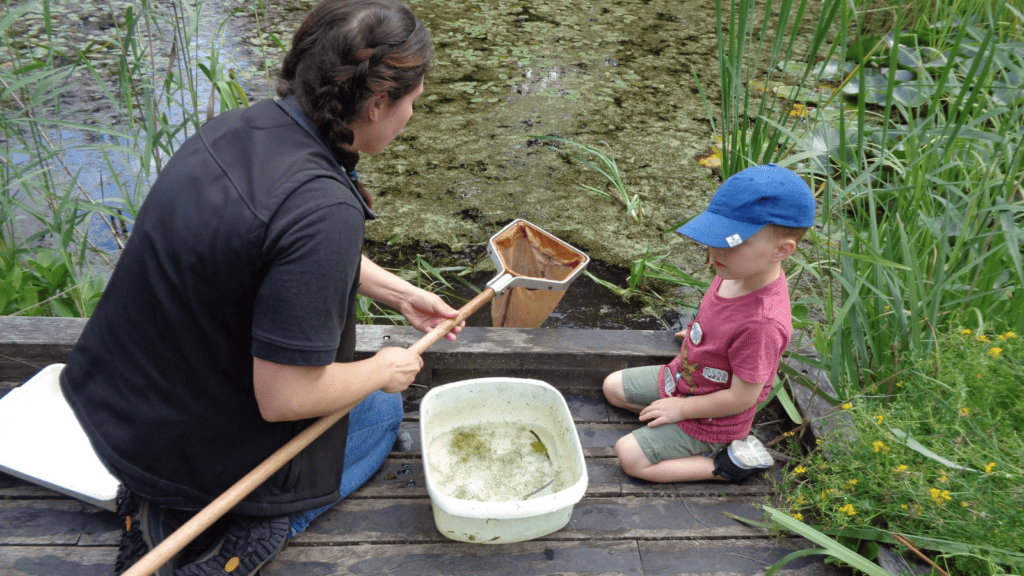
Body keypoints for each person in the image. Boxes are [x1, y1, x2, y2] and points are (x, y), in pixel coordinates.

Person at [57, 1, 458, 574]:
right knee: (380, 413)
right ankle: (255, 528)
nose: (410, 114)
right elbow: (285, 398)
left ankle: (165, 501)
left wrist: (396, 294)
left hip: (118, 413)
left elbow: (266, 249)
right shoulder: (323, 207)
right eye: (412, 102)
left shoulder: (242, 128)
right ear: (375, 104)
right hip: (188, 447)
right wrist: (384, 369)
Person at [602, 164, 815, 484]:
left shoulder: (763, 324)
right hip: (684, 378)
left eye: (730, 242)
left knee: (629, 455)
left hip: (715, 418)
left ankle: (726, 463)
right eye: (712, 238)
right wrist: (699, 333)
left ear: (781, 250)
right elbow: (720, 315)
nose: (713, 252)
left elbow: (743, 398)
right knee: (612, 387)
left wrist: (682, 411)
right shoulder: (735, 271)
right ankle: (671, 428)